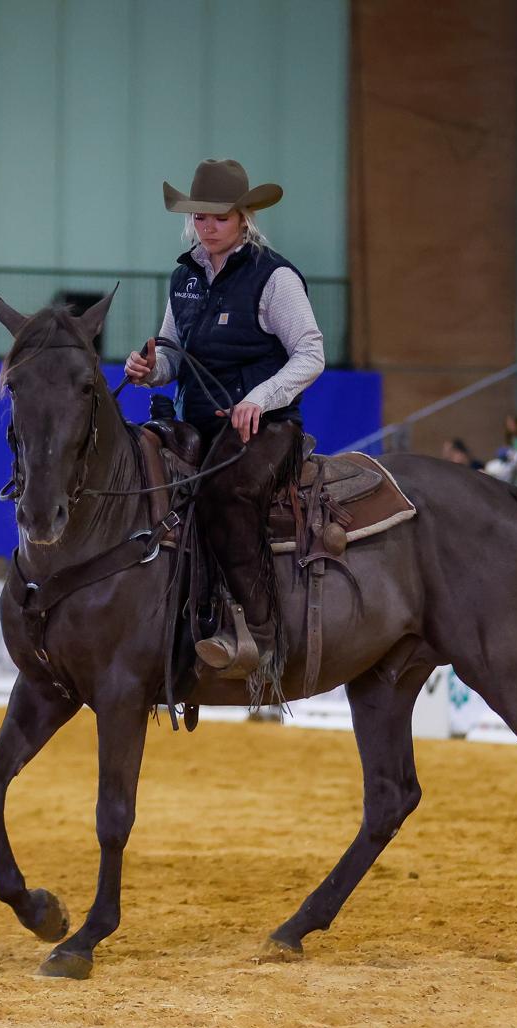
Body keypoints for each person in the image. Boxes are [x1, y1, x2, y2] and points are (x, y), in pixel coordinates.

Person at [124, 158, 322, 680]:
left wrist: (260, 398)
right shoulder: (184, 278)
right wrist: (148, 369)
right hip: (198, 425)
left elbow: (310, 352)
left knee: (226, 494)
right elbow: (173, 355)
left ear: (243, 218)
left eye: (220, 217)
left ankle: (262, 636)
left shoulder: (274, 277)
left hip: (265, 426)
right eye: (200, 218)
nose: (208, 227)